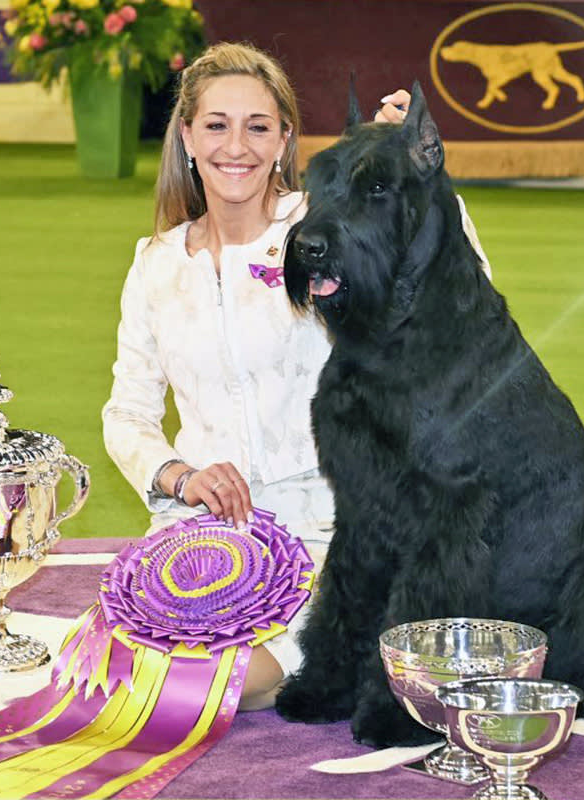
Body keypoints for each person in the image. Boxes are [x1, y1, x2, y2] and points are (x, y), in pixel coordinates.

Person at [101, 41, 491, 710]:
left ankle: (346, 637)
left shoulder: (326, 231)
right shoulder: (155, 262)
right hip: (195, 531)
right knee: (116, 668)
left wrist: (415, 178)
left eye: (259, 126)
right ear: (187, 136)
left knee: (219, 685)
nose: (238, 146)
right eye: (217, 125)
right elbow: (127, 413)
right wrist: (179, 475)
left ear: (285, 139)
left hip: (323, 529)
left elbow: (462, 292)